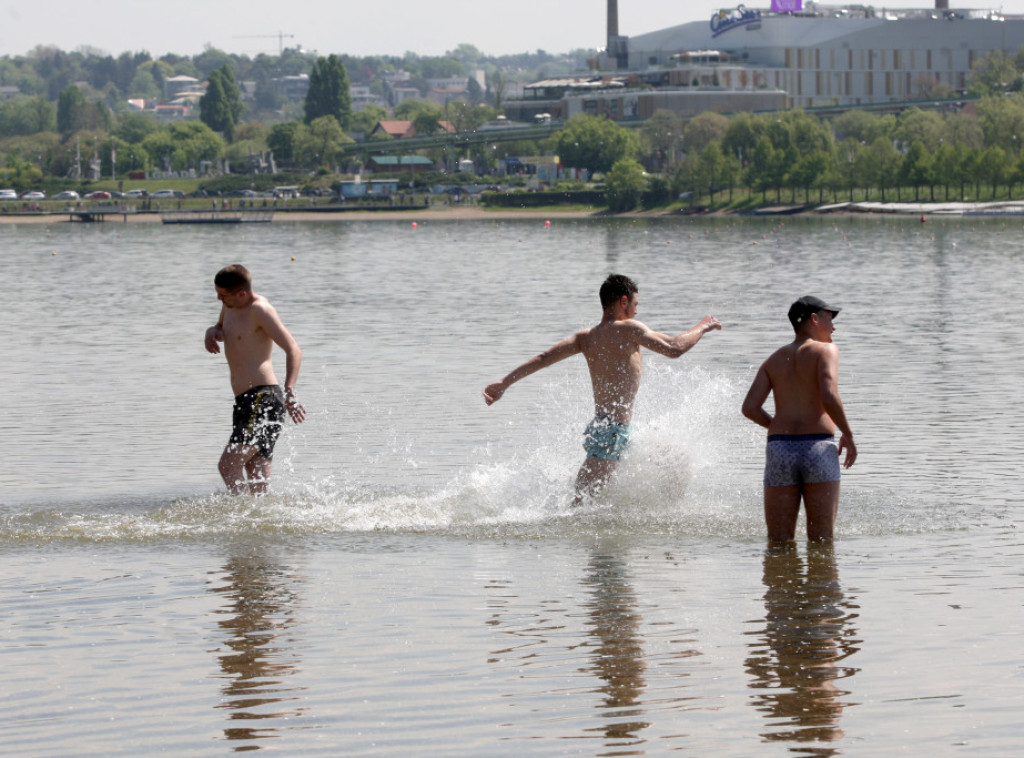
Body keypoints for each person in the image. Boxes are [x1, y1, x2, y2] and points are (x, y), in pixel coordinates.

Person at [483, 274, 721, 504]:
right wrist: (703, 325)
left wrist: (505, 383)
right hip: (609, 435)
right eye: (635, 304)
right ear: (623, 301)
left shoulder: (586, 337)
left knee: (676, 462)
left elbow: (543, 358)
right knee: (579, 508)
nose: (637, 311)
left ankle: (655, 518)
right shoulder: (629, 329)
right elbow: (675, 348)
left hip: (620, 432)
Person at [742, 296, 857, 542]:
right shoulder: (826, 350)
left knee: (779, 541)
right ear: (813, 319)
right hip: (817, 446)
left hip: (780, 448)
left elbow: (750, 408)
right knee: (822, 540)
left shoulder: (773, 360)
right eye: (830, 319)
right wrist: (848, 434)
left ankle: (782, 579)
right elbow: (828, 394)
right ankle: (820, 580)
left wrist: (777, 426)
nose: (834, 327)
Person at [204, 264, 306, 494]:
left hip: (263, 399)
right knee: (258, 483)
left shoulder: (260, 310)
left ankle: (240, 519)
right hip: (245, 403)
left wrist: (290, 390)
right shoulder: (229, 305)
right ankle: (262, 524)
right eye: (217, 293)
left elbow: (294, 350)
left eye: (223, 294)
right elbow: (222, 327)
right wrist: (212, 331)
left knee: (228, 465)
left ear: (242, 293)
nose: (218, 299)